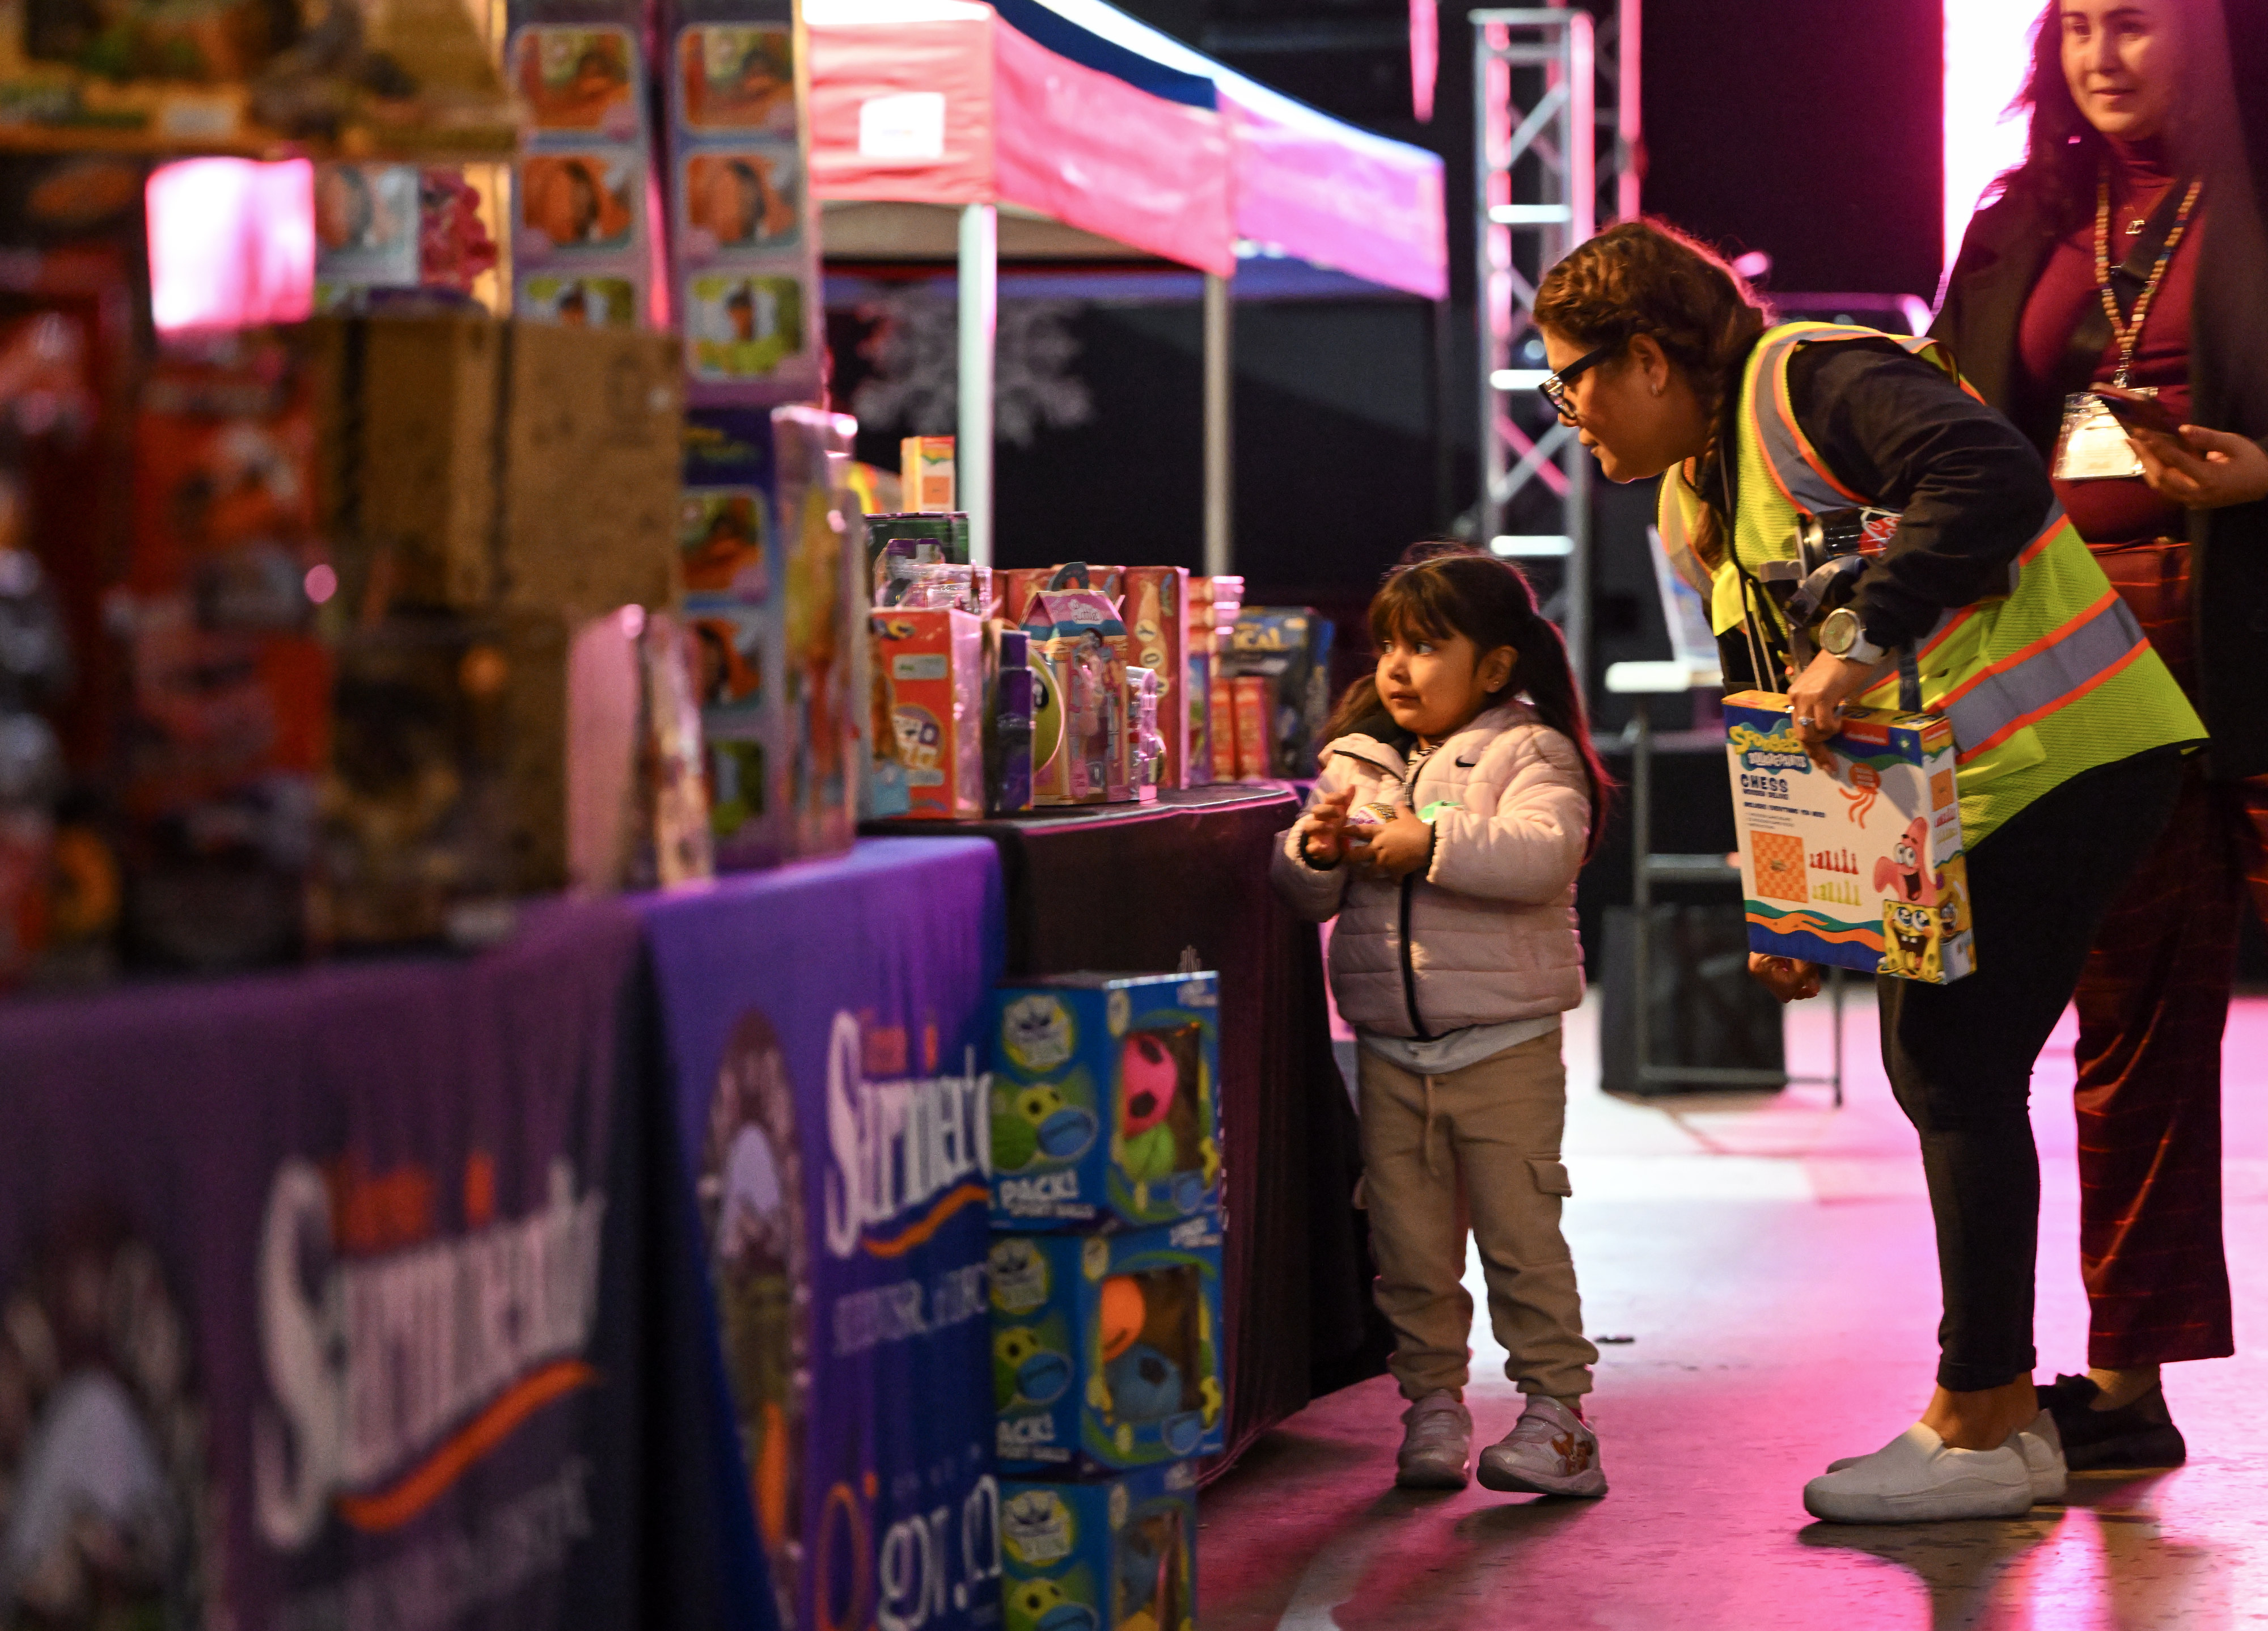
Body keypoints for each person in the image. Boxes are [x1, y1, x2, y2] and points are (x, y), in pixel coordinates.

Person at [1533, 217, 2206, 1523]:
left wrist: (1862, 626)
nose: (1566, 412)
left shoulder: (1806, 376)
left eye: (1573, 376)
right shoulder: (1706, 495)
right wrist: (1798, 899)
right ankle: (1986, 1413)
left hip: (2069, 756)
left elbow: (1992, 477)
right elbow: (1778, 715)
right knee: (1944, 1065)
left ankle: (1984, 1422)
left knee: (1950, 1064)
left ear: (1652, 359)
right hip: (1980, 797)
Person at [1932, 0, 2268, 1471]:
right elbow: (1939, 414)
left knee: (2143, 1031)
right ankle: (2093, 1378)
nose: (2100, 55)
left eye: (2133, 23)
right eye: (2075, 27)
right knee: (2065, 1033)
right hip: (2064, 670)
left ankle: (2126, 1373)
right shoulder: (2029, 218)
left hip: (2229, 647)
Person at [1271, 546, 1613, 1498]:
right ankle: (1431, 1406)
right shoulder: (1358, 758)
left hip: (1503, 1049)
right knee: (1409, 1253)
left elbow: (1545, 854)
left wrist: (1432, 842)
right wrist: (1316, 848)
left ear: (1495, 667)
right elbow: (1301, 893)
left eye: (1425, 646)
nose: (1396, 667)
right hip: (1389, 1051)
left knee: (1520, 1242)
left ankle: (1557, 1420)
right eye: (1387, 646)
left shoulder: (1529, 751)